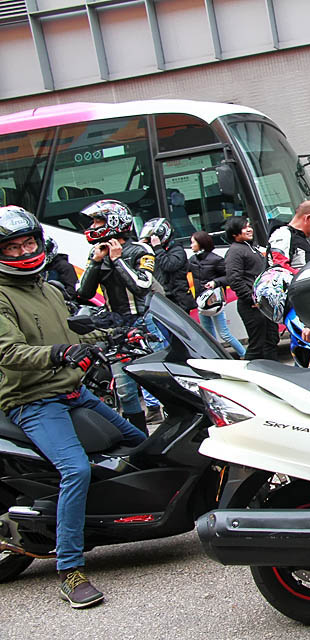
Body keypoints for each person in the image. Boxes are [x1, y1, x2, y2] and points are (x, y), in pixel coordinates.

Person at [0, 206, 146, 608]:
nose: (23, 250)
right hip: (32, 401)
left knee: (139, 443)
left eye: (27, 241)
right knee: (75, 468)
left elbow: (78, 325)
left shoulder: (48, 289)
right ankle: (70, 569)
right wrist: (59, 353)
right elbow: (8, 351)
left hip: (72, 392)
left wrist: (120, 331)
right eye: (13, 246)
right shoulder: (0, 296)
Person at [76, 200, 157, 433]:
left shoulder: (141, 250)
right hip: (116, 328)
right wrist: (96, 262)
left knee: (156, 381)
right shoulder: (97, 253)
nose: (93, 225)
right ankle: (140, 437)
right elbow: (83, 293)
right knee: (125, 389)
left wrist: (118, 259)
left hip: (144, 323)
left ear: (114, 221)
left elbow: (142, 285)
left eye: (98, 221)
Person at [223, 216, 278, 360]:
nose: (249, 229)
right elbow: (234, 279)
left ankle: (275, 372)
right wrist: (251, 299)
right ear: (234, 233)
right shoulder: (235, 251)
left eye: (249, 226)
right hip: (252, 307)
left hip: (264, 304)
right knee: (257, 345)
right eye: (244, 227)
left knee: (271, 340)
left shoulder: (252, 248)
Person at [188, 231, 246, 357]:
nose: (191, 245)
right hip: (201, 302)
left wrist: (215, 282)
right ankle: (217, 357)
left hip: (215, 302)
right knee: (208, 335)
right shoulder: (192, 260)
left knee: (224, 333)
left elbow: (228, 277)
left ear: (201, 243)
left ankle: (243, 354)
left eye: (193, 242)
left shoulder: (216, 259)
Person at [140, 218, 196, 313]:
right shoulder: (156, 251)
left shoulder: (177, 250)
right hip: (163, 297)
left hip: (177, 299)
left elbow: (169, 265)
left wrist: (157, 247)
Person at [268, 200, 310, 273]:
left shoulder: (300, 237)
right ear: (307, 218)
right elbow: (279, 266)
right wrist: (301, 275)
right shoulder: (283, 234)